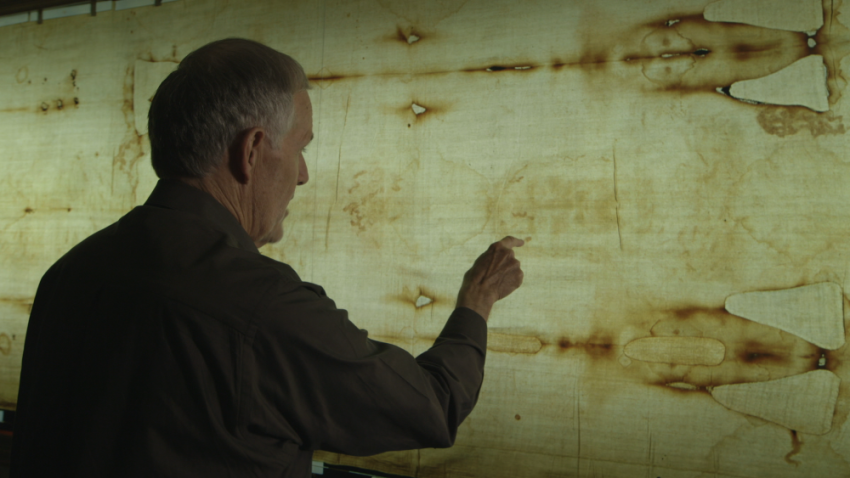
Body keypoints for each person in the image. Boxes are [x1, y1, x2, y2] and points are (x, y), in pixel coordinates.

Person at [10, 38, 524, 477]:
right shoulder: (261, 308)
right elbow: (430, 407)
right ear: (252, 149)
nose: (303, 174)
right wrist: (476, 301)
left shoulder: (70, 273)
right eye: (301, 147)